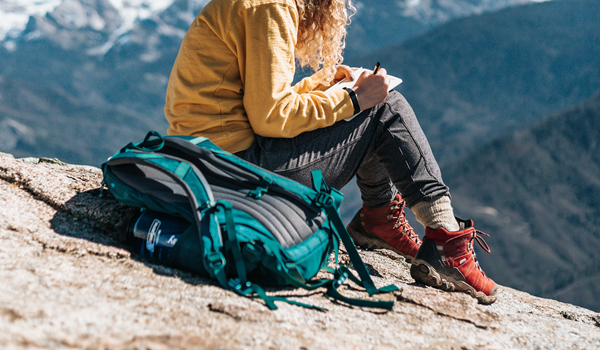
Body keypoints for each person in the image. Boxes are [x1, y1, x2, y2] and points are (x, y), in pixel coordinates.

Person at [164, 0, 498, 304]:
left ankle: (379, 221)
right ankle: (446, 242)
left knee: (368, 107)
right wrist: (354, 99)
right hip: (235, 171)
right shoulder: (270, 6)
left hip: (208, 160)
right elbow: (270, 117)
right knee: (386, 108)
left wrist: (325, 83)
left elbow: (256, 102)